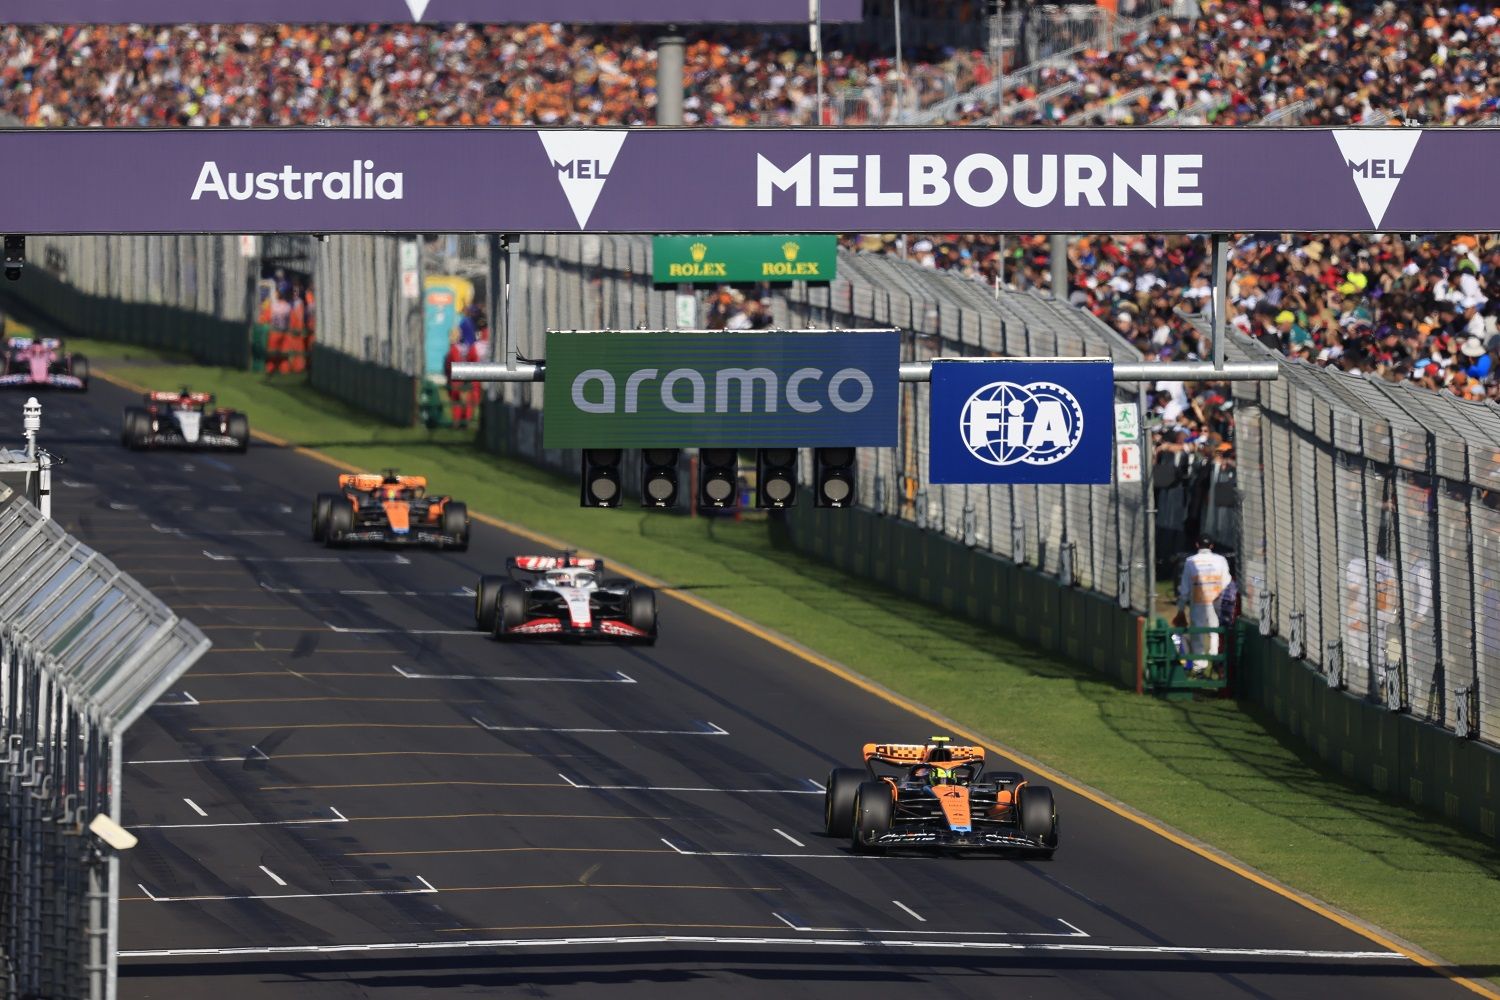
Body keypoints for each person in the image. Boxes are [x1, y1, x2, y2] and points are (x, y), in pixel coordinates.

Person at [1177, 534, 1232, 675]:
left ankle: (1199, 666)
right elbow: (1227, 583)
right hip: (1216, 603)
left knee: (1197, 634)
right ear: (1212, 546)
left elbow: (1184, 589)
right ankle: (1216, 660)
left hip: (1198, 604)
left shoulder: (1190, 562)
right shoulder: (1221, 560)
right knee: (1215, 633)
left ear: (1196, 545)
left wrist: (1181, 609)